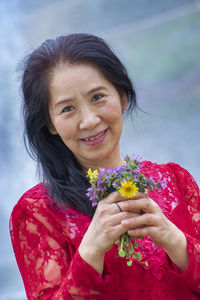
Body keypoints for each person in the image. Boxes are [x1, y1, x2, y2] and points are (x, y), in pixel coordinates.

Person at [10, 33, 200, 300]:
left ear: (122, 96)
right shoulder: (36, 214)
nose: (88, 120)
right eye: (67, 109)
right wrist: (91, 250)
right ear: (50, 124)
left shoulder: (176, 181)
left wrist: (173, 239)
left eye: (98, 97)